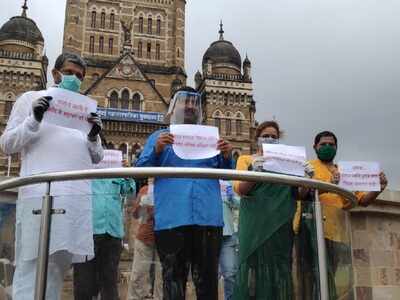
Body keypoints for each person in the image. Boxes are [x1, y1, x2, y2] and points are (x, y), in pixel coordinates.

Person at [0, 52, 104, 299]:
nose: (74, 79)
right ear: (55, 74)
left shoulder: (83, 108)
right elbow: (7, 144)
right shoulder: (31, 99)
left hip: (74, 204)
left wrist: (93, 135)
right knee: (31, 269)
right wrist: (33, 120)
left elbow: (97, 156)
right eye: (69, 73)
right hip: (39, 199)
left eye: (79, 76)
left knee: (57, 270)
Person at [136, 86, 233, 300]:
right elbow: (140, 169)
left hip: (208, 219)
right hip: (172, 219)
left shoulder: (210, 137)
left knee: (207, 282)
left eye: (194, 102)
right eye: (184, 101)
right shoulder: (159, 136)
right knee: (173, 281)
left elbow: (226, 174)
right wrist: (157, 150)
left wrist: (226, 155)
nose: (189, 106)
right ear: (173, 106)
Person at [297, 131, 388, 299]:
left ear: (336, 147)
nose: (327, 147)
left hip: (337, 234)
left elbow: (363, 200)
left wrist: (379, 187)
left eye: (331, 145)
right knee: (311, 276)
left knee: (331, 278)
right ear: (315, 147)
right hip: (311, 230)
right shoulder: (307, 167)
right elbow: (301, 194)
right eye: (323, 144)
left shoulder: (344, 171)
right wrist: (331, 184)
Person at [233, 120, 300, 300]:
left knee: (279, 267)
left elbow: (299, 193)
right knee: (252, 267)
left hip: (281, 224)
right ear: (257, 139)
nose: (270, 139)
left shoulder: (288, 163)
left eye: (274, 137)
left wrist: (306, 177)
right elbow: (240, 190)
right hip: (254, 223)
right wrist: (255, 171)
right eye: (266, 136)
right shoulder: (245, 159)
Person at [73, 142, 136, 300]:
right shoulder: (85, 170)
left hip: (113, 232)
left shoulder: (117, 173)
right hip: (88, 232)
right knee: (84, 282)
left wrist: (127, 172)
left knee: (109, 281)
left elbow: (130, 190)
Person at [127, 178, 163, 300]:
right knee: (139, 274)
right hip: (144, 237)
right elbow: (135, 215)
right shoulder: (144, 190)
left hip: (164, 237)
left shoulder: (168, 190)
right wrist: (141, 205)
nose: (151, 179)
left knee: (162, 278)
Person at [219, 180, 240, 300]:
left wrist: (232, 197)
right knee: (208, 276)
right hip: (207, 234)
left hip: (227, 235)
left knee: (230, 274)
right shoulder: (204, 177)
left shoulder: (229, 181)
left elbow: (240, 204)